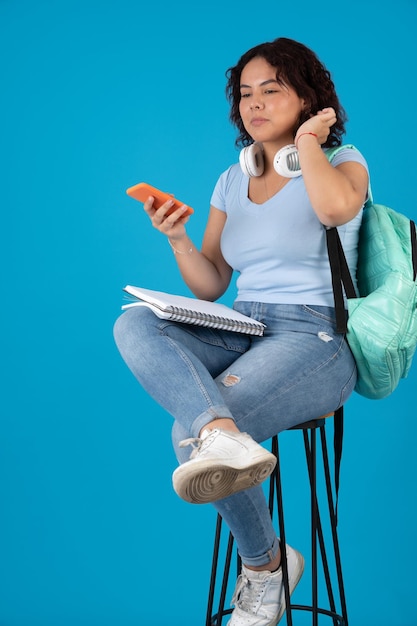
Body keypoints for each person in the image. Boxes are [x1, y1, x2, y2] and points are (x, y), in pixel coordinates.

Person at [113, 37, 369, 626]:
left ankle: (262, 570)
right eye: (245, 95)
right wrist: (177, 238)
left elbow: (334, 211)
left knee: (190, 433)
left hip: (316, 340)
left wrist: (309, 146)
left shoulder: (344, 160)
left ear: (308, 97)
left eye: (271, 91)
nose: (254, 105)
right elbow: (210, 284)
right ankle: (266, 541)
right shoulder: (232, 179)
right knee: (135, 320)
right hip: (246, 324)